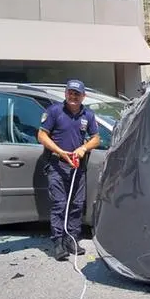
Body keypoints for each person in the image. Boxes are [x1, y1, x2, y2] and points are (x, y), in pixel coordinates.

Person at [37, 80, 101, 261]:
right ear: (65, 93)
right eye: (70, 93)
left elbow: (96, 139)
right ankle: (58, 242)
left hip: (76, 166)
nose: (73, 97)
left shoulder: (88, 114)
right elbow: (41, 135)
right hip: (57, 164)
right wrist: (59, 152)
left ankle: (71, 239)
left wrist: (83, 148)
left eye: (77, 94)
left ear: (83, 96)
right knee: (59, 204)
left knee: (77, 204)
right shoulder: (54, 111)